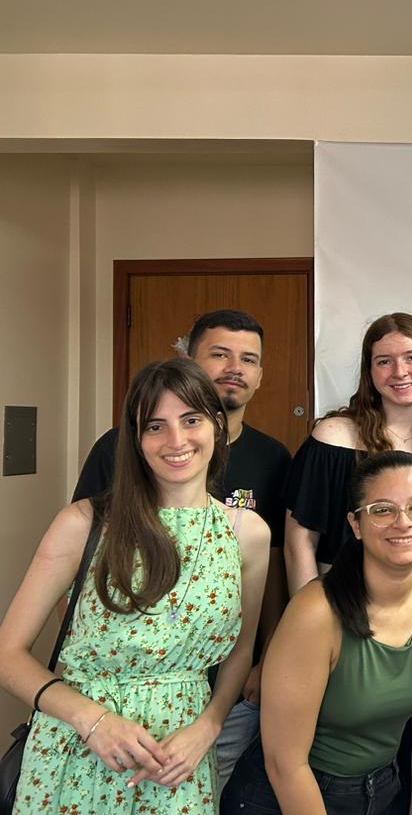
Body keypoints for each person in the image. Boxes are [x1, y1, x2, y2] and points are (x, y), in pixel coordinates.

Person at [0, 359, 270, 815]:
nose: (176, 440)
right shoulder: (85, 523)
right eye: (155, 426)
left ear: (216, 425)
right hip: (78, 752)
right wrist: (93, 721)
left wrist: (209, 726)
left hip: (177, 763)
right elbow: (8, 655)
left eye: (191, 420)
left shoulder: (247, 533)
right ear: (135, 438)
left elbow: (240, 651)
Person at [71, 308, 292, 789]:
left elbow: (271, 571)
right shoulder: (118, 450)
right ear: (189, 361)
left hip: (216, 698)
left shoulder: (273, 459)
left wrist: (266, 658)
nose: (234, 368)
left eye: (248, 359)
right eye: (220, 354)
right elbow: (83, 569)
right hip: (107, 704)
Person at [221, 450, 412, 815]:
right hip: (281, 805)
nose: (404, 522)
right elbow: (285, 763)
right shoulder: (316, 611)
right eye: (382, 510)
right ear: (356, 524)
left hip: (379, 793)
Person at [284, 311, 412, 593]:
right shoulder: (333, 437)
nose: (399, 371)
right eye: (384, 361)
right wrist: (311, 610)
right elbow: (299, 541)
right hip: (338, 600)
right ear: (369, 371)